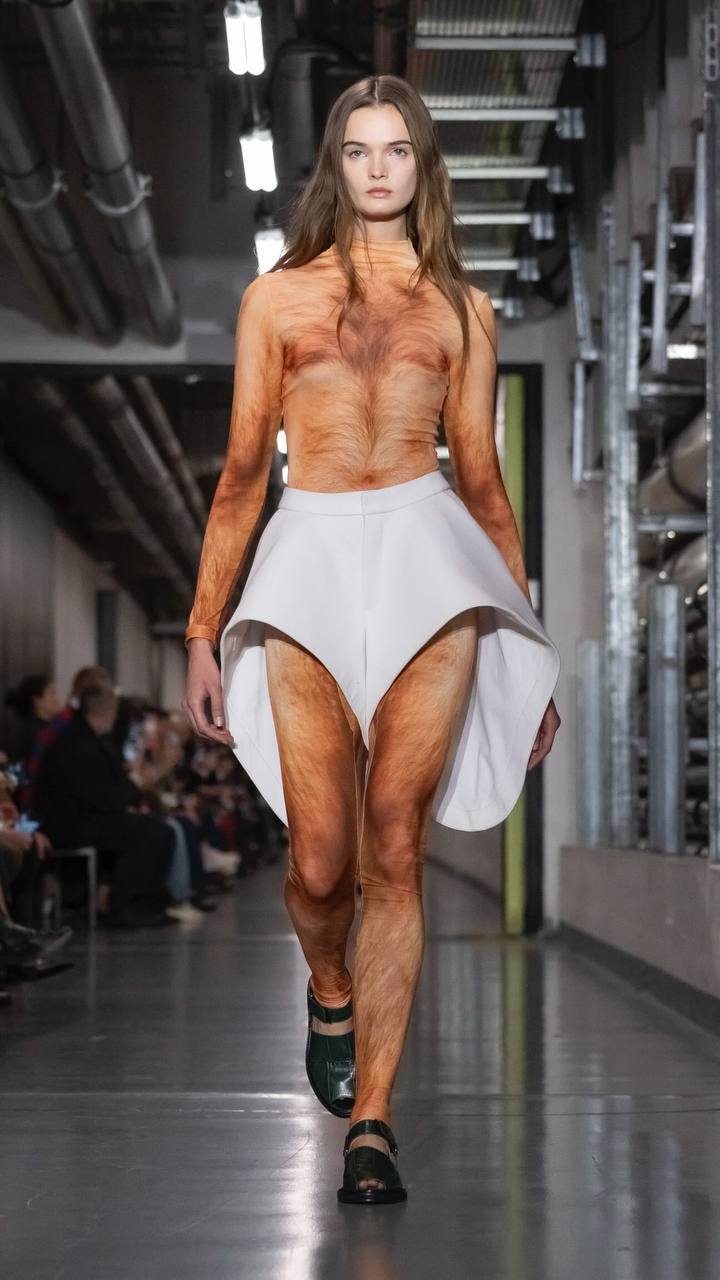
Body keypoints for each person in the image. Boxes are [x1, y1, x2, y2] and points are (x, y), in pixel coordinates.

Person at [183, 75, 562, 1204]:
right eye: (360, 150)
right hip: (307, 555)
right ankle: (331, 984)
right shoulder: (275, 300)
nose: (380, 168)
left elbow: (483, 483)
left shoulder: (463, 309)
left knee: (395, 840)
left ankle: (375, 1121)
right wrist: (202, 632)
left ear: (421, 164)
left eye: (398, 149)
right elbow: (242, 475)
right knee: (319, 861)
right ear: (336, 166)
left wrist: (525, 650)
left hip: (427, 557)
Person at [33, 683, 176, 928]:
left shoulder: (81, 737)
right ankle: (123, 905)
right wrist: (134, 786)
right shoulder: (81, 744)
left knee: (156, 829)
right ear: (108, 712)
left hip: (81, 817)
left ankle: (140, 901)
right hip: (70, 823)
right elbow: (103, 798)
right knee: (152, 832)